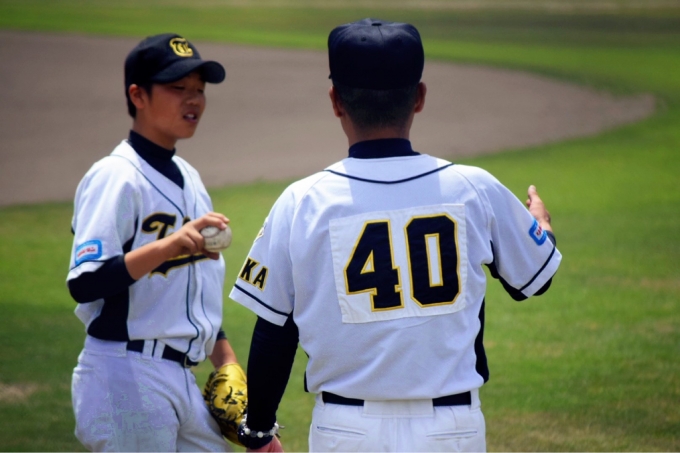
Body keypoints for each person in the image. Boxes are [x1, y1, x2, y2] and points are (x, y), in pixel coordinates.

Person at [229, 18, 562, 453]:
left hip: (346, 430)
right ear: (419, 97)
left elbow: (274, 329)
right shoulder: (473, 186)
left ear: (336, 101)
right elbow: (534, 281)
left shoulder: (302, 200)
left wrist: (258, 430)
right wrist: (542, 227)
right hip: (451, 429)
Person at [67, 33, 241, 452]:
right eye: (178, 88)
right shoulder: (116, 176)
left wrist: (228, 363)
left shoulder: (191, 180)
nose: (193, 99)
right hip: (125, 373)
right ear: (138, 95)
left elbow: (194, 294)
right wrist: (169, 245)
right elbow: (86, 282)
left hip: (180, 376)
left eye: (199, 89)